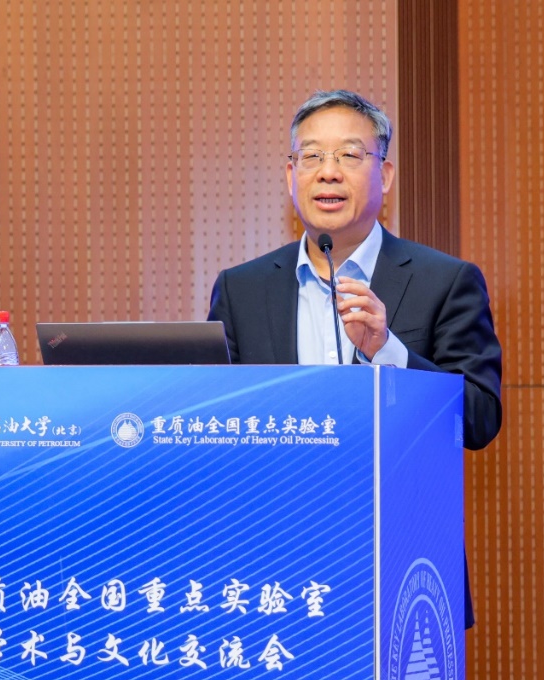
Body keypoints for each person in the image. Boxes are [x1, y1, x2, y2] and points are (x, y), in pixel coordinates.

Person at [207, 89, 503, 626]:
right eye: (312, 156)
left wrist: (387, 349)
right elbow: (216, 422)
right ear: (290, 175)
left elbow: (480, 418)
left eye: (348, 154)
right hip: (273, 567)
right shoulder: (240, 290)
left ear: (384, 176)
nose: (328, 171)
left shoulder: (446, 281)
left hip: (403, 562)